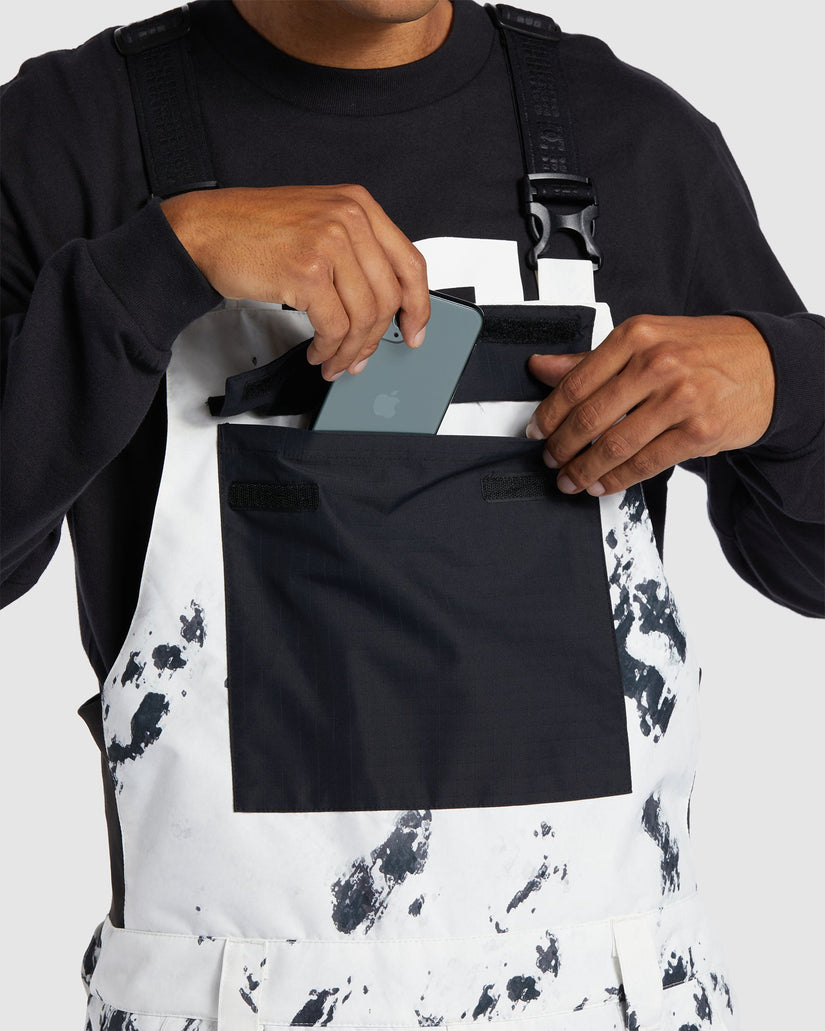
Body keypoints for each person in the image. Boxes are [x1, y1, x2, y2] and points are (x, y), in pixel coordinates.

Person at [1, 1, 822, 1029]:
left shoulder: (637, 143)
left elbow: (808, 564)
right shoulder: (69, 137)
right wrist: (167, 258)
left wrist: (790, 382)